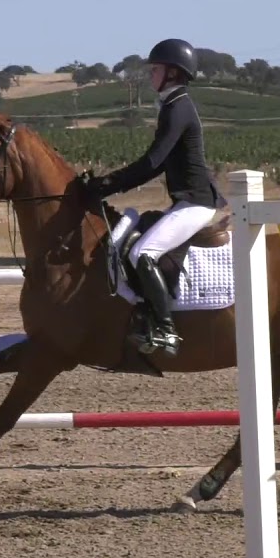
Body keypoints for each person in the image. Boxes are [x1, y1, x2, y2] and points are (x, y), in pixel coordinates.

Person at [81, 38, 226, 356]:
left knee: (142, 254)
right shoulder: (174, 105)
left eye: (155, 69)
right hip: (187, 202)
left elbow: (152, 162)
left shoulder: (178, 108)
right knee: (135, 245)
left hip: (197, 204)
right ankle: (147, 313)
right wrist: (109, 183)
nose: (150, 75)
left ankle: (166, 329)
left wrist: (108, 184)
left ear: (173, 73)